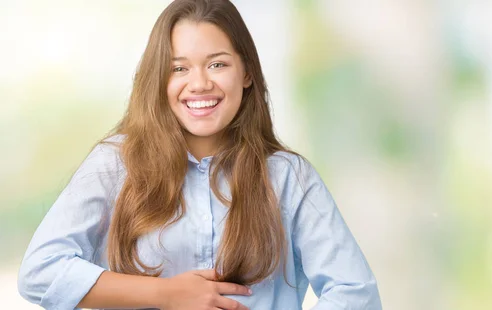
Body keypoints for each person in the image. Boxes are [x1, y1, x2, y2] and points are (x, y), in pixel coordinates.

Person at [17, 0, 382, 309]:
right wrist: (165, 293)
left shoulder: (287, 176)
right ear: (159, 79)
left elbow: (355, 293)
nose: (200, 83)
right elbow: (41, 271)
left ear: (247, 73)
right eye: (179, 68)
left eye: (217, 64)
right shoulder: (115, 164)